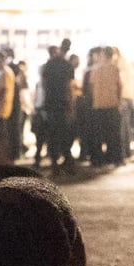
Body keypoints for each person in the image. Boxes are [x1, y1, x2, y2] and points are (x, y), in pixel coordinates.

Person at [40, 42, 76, 174]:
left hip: (50, 103)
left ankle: (55, 163)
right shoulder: (67, 65)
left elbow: (43, 84)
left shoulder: (48, 65)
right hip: (63, 103)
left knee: (53, 133)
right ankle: (68, 162)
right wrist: (71, 105)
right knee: (65, 133)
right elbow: (70, 87)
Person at [89, 46, 123, 166]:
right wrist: (119, 102)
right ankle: (114, 158)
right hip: (112, 104)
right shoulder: (115, 69)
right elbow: (119, 86)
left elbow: (91, 87)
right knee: (113, 134)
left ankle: (98, 159)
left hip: (98, 105)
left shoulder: (95, 70)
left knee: (98, 134)